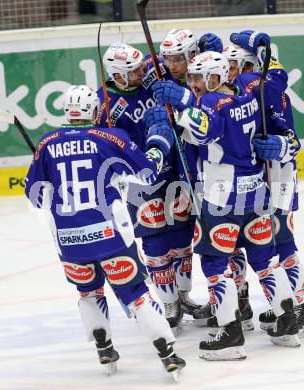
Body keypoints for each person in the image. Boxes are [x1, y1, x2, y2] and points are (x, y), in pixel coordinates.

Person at [25, 85, 185, 378]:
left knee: (88, 291)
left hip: (70, 239)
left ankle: (104, 347)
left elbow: (35, 196)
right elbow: (148, 171)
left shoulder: (46, 143)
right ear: (95, 111)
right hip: (109, 235)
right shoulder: (109, 137)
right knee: (135, 293)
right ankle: (167, 351)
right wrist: (158, 142)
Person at [152, 52, 301, 360]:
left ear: (215, 77)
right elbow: (215, 128)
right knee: (265, 260)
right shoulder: (246, 97)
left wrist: (181, 102)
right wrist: (183, 117)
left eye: (197, 77)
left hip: (223, 198)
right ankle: (288, 322)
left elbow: (207, 132)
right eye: (190, 78)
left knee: (215, 265)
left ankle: (230, 334)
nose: (193, 82)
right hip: (256, 191)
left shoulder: (207, 103)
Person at [96, 42, 202, 335]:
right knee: (155, 244)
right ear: (118, 76)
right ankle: (169, 304)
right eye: (135, 70)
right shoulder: (104, 103)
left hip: (173, 169)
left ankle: (183, 297)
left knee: (183, 237)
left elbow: (168, 65)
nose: (143, 71)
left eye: (142, 66)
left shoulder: (151, 80)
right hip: (138, 181)